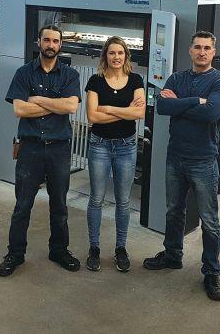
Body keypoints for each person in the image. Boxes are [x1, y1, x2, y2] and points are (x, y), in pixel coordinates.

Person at [142, 30, 220, 301]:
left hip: (203, 160)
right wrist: (195, 101)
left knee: (209, 220)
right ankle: (172, 255)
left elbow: (212, 112)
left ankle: (211, 272)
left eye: (207, 48)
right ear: (190, 50)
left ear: (213, 52)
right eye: (197, 47)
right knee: (174, 211)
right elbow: (162, 108)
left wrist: (178, 104)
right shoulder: (177, 78)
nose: (202, 52)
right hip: (176, 157)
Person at [0, 25, 81, 277]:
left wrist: (38, 100)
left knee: (60, 205)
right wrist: (56, 105)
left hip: (59, 149)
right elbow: (20, 109)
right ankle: (15, 254)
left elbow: (71, 107)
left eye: (55, 41)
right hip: (30, 148)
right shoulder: (24, 73)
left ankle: (59, 250)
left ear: (60, 45)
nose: (50, 45)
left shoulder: (70, 75)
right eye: (47, 40)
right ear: (39, 42)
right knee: (23, 205)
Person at [84, 37, 145, 272]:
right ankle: (94, 248)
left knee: (123, 200)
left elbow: (139, 114)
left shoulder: (136, 80)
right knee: (96, 199)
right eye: (112, 53)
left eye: (120, 53)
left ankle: (121, 248)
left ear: (126, 56)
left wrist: (108, 108)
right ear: (105, 56)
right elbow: (92, 117)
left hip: (126, 146)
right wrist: (126, 111)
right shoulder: (95, 81)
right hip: (99, 145)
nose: (116, 57)